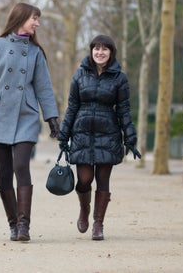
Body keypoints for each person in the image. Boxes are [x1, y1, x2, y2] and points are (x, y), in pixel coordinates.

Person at [0, 2, 60, 242]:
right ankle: (13, 225)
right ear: (20, 18)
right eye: (34, 18)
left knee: (21, 166)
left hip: (26, 116)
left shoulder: (35, 52)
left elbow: (44, 87)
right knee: (3, 173)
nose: (37, 23)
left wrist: (52, 118)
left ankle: (24, 226)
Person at [58, 34, 140, 241]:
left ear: (111, 52)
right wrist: (63, 134)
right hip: (82, 132)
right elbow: (72, 106)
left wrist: (130, 136)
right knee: (84, 179)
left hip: (108, 134)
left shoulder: (120, 78)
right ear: (91, 50)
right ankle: (84, 210)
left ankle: (98, 224)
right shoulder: (79, 75)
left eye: (105, 49)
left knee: (103, 181)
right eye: (96, 48)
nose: (100, 52)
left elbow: (124, 109)